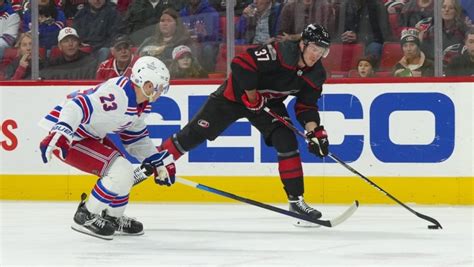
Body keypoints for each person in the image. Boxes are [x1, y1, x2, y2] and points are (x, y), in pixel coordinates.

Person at [150, 24, 332, 225]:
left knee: (287, 140)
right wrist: (252, 96)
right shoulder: (280, 52)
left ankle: (296, 202)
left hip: (267, 105)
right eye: (314, 48)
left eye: (322, 51)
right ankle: (150, 163)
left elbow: (306, 105)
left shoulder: (315, 74)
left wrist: (314, 131)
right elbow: (240, 64)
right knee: (192, 136)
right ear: (303, 44)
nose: (317, 54)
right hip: (232, 98)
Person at [39, 56, 173, 240]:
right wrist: (62, 132)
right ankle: (85, 216)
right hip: (68, 138)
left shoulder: (141, 104)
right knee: (121, 171)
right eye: (159, 87)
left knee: (123, 170)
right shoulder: (118, 95)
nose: (160, 92)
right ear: (148, 84)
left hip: (89, 136)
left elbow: (135, 137)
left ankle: (112, 217)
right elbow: (76, 105)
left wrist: (156, 161)